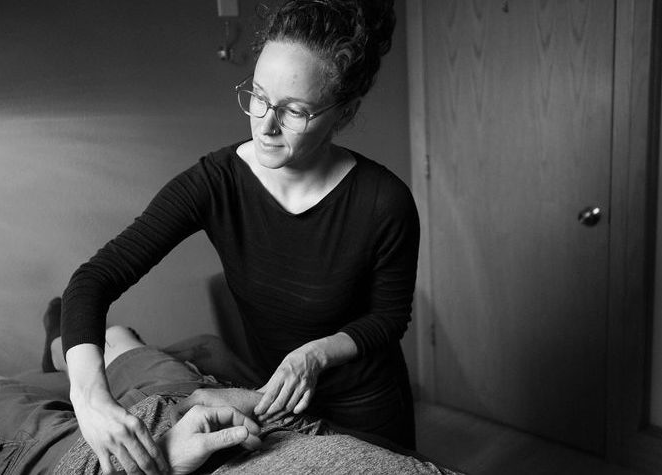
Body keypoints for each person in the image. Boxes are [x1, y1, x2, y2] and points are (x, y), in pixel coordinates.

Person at [60, 1, 419, 473]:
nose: (265, 124)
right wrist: (89, 400)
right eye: (258, 96)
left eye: (294, 111)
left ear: (344, 113)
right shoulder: (216, 181)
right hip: (277, 408)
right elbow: (94, 279)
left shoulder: (384, 200)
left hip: (371, 412)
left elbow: (390, 317)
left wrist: (315, 354)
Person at [0, 322, 458, 474]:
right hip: (194, 401)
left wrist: (159, 458)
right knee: (116, 337)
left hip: (91, 460)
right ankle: (63, 343)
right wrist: (261, 398)